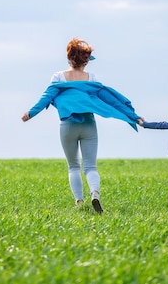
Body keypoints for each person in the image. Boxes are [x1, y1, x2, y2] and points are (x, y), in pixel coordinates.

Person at [22, 37, 141, 214]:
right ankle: (95, 192)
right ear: (85, 61)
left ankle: (79, 201)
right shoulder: (91, 78)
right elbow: (110, 99)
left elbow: (46, 97)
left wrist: (30, 113)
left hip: (68, 125)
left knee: (73, 166)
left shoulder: (58, 77)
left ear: (69, 58)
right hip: (88, 125)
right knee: (91, 166)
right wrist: (133, 116)